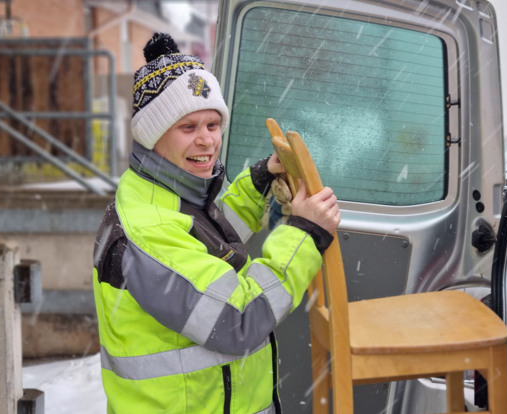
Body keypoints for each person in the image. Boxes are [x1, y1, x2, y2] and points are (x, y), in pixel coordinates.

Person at [92, 32, 340, 414]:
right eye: (188, 128)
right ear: (153, 134)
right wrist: (305, 235)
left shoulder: (167, 196)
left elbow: (209, 246)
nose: (207, 141)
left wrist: (259, 180)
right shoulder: (148, 231)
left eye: (213, 124)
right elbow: (238, 320)